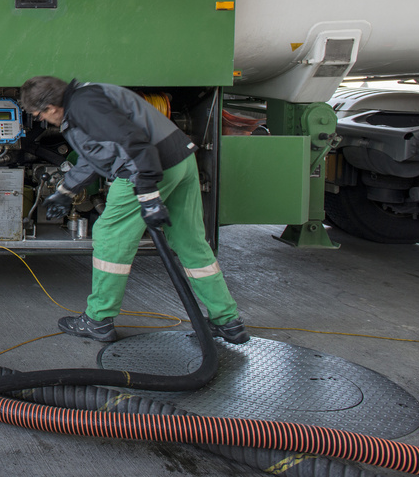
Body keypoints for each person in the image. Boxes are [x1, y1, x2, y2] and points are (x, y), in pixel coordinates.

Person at [18, 75, 249, 345]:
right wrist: (64, 192)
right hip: (180, 161)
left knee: (110, 237)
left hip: (145, 168)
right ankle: (227, 320)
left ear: (51, 107)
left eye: (41, 115)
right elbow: (98, 153)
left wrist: (148, 196)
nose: (45, 121)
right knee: (190, 241)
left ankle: (98, 320)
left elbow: (135, 144)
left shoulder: (85, 107)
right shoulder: (88, 97)